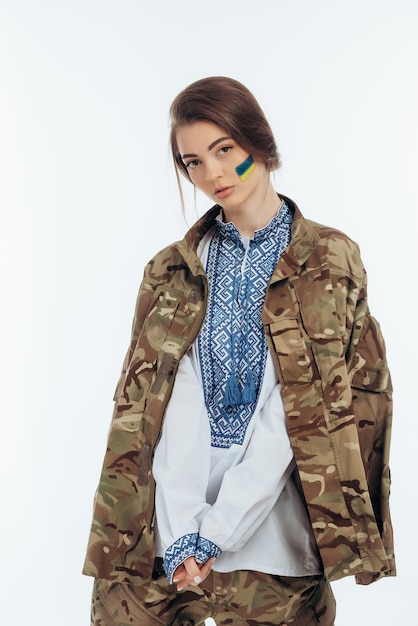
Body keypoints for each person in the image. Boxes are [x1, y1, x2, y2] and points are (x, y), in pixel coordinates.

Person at [83, 76, 395, 626]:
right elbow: (161, 407)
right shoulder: (169, 270)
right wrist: (184, 532)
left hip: (275, 541)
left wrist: (217, 532)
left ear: (257, 141)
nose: (213, 174)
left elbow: (302, 408)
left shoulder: (330, 259)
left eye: (224, 150)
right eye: (193, 162)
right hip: (156, 540)